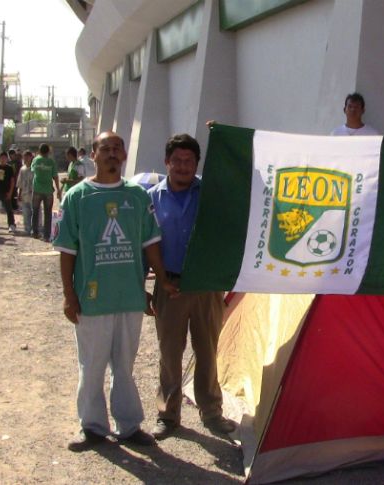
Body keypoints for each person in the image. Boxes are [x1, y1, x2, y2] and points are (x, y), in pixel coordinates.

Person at [53, 130, 178, 452]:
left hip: (129, 298)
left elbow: (151, 243)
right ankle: (93, 427)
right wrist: (69, 295)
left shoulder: (137, 196)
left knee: (124, 367)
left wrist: (162, 279)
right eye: (105, 148)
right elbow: (67, 251)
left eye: (117, 148)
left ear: (124, 155)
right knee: (92, 367)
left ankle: (129, 426)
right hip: (92, 300)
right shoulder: (77, 197)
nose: (111, 153)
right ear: (93, 155)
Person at [147, 133, 236, 440]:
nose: (183, 166)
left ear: (197, 163)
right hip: (168, 284)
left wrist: (224, 138)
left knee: (208, 351)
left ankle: (212, 413)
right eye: (177, 161)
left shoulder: (211, 193)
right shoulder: (152, 198)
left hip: (207, 285)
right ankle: (167, 415)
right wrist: (145, 283)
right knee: (169, 353)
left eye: (189, 161)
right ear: (166, 162)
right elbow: (146, 242)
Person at [30, 143, 61, 241]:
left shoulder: (35, 160)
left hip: (37, 189)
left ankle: (35, 232)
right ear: (48, 151)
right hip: (48, 191)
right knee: (48, 213)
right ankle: (46, 235)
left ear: (39, 151)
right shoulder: (51, 162)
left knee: (35, 211)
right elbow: (55, 176)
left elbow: (32, 171)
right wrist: (58, 189)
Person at [17, 150, 35, 235]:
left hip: (33, 193)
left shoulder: (34, 168)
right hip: (24, 193)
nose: (26, 158)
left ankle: (35, 228)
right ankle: (27, 229)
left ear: (31, 157)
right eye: (25, 157)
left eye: (28, 157)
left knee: (34, 211)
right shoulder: (22, 169)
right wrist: (19, 194)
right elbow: (20, 182)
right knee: (25, 212)